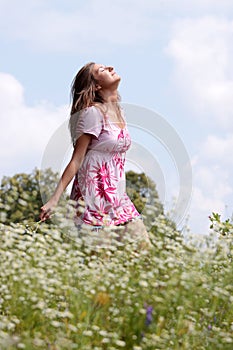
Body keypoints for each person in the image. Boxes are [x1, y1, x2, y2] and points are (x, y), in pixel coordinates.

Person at [40, 62, 151, 248]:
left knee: (145, 253)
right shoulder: (92, 113)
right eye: (102, 70)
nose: (110, 67)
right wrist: (54, 199)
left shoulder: (119, 112)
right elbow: (77, 159)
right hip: (92, 199)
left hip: (117, 197)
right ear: (97, 86)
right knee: (100, 264)